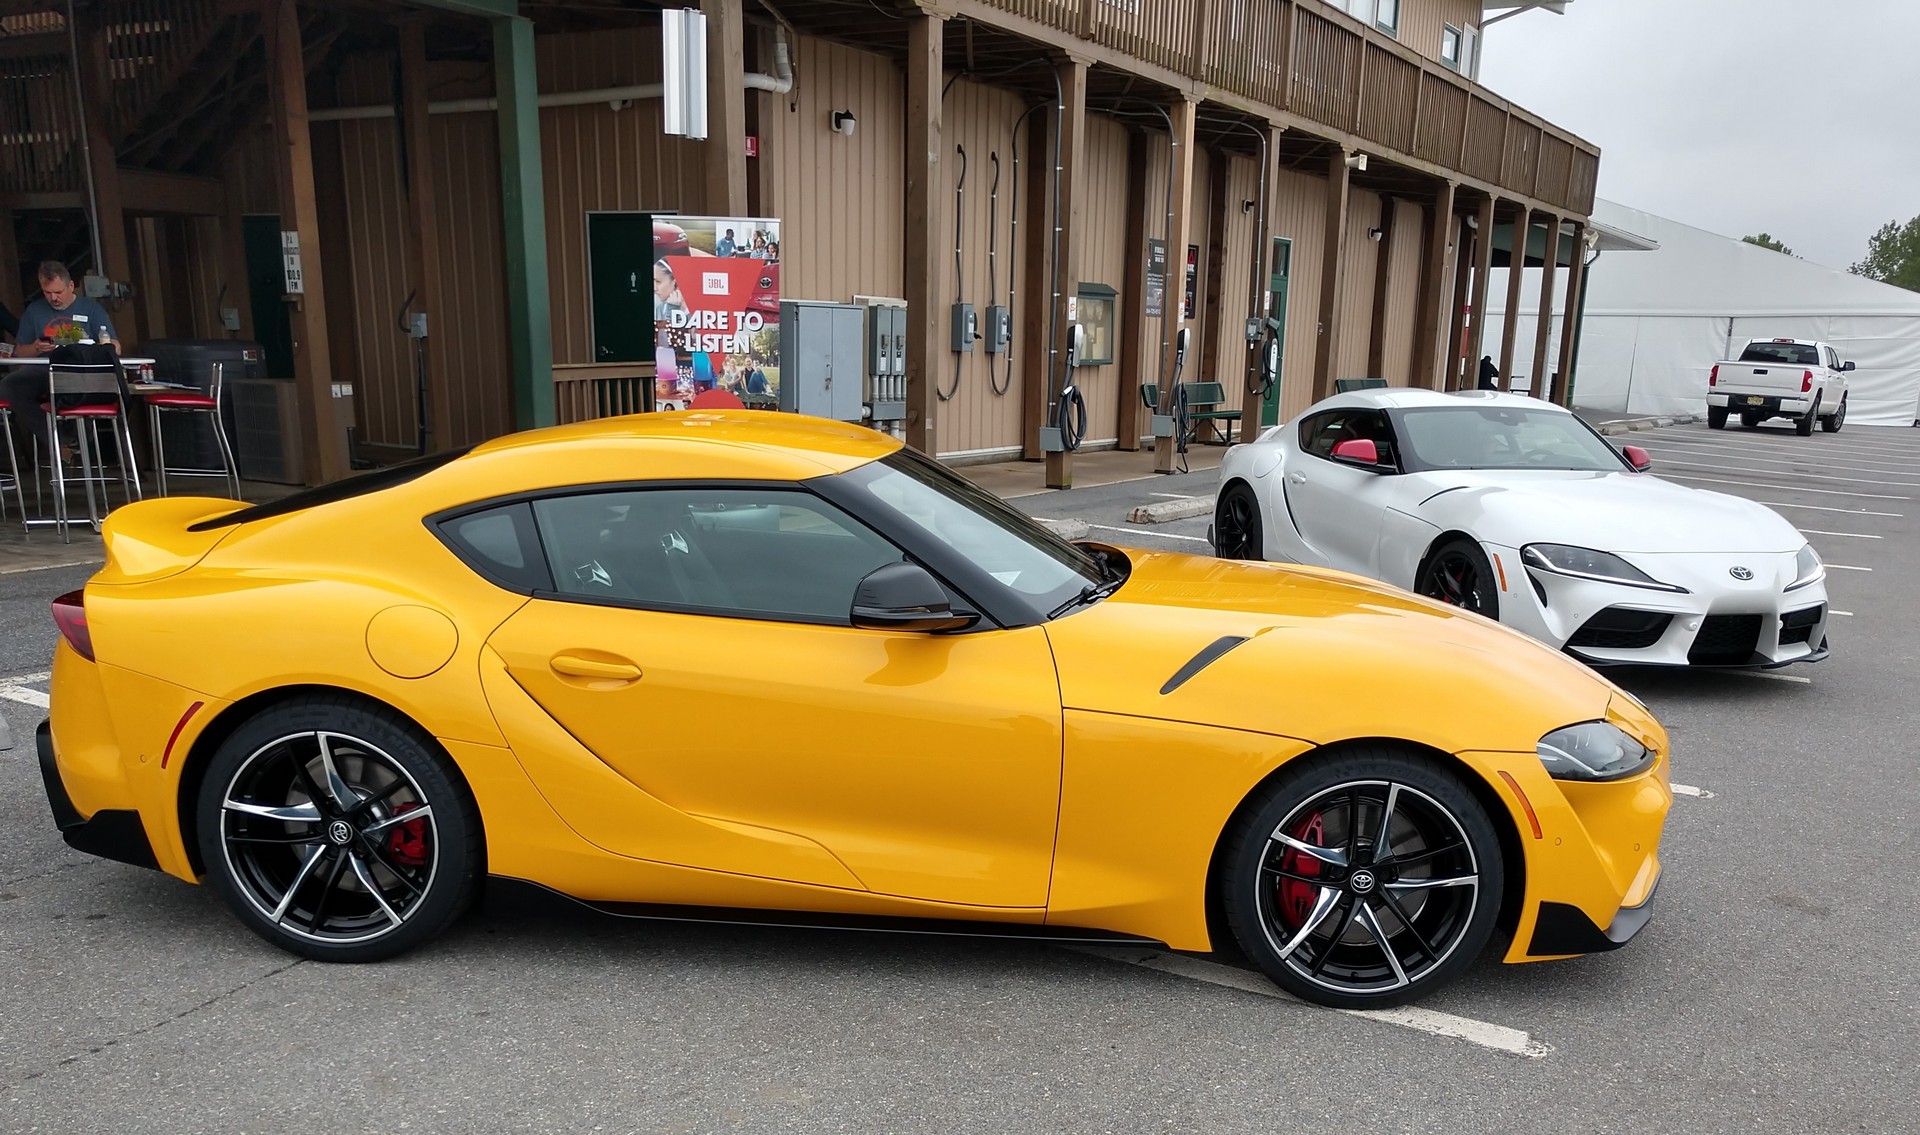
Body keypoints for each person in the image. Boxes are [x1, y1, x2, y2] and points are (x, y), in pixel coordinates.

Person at [0, 261, 123, 463]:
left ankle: (78, 442)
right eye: (47, 293)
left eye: (58, 292)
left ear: (71, 286)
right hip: (45, 370)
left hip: (82, 371)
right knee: (8, 386)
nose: (53, 298)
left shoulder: (91, 309)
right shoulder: (34, 310)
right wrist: (37, 347)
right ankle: (59, 440)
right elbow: (19, 351)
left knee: (81, 390)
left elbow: (115, 346)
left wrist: (95, 347)